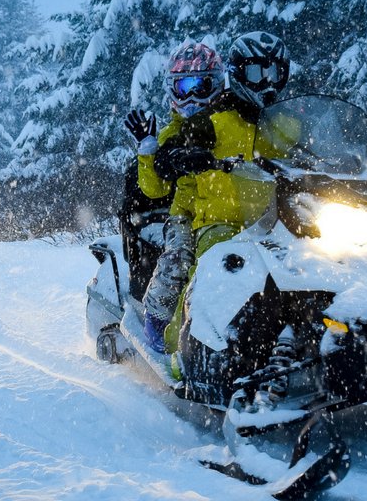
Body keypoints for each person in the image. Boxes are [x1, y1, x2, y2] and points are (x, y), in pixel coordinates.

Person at [158, 32, 294, 374]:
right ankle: (181, 345)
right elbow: (181, 140)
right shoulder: (216, 118)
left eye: (273, 74)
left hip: (279, 222)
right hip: (221, 221)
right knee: (211, 270)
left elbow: (317, 152)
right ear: (237, 74)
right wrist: (179, 153)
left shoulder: (289, 123)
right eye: (254, 74)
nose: (265, 84)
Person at [123, 40, 228, 353]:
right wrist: (148, 149)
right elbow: (155, 188)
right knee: (178, 259)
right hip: (185, 214)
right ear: (173, 90)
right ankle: (156, 320)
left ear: (217, 84)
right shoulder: (172, 133)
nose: (193, 96)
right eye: (185, 87)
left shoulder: (229, 123)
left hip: (228, 211)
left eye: (201, 85)